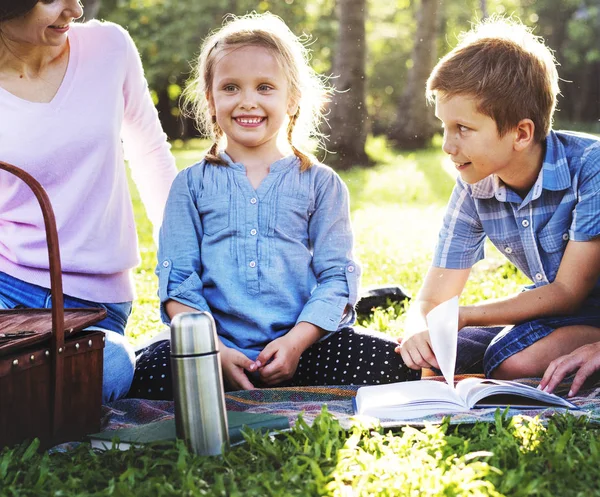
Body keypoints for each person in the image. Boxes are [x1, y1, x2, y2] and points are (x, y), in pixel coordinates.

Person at [129, 12, 419, 398]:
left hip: (305, 345)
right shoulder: (191, 185)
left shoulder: (322, 184)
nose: (247, 101)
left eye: (265, 87)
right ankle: (226, 370)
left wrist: (297, 343)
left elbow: (336, 277)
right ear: (211, 99)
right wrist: (214, 350)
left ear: (293, 98)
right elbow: (178, 282)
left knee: (396, 365)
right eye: (231, 88)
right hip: (212, 348)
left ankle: (288, 368)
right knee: (142, 374)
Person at [396, 17, 600, 385]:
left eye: (463, 129)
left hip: (581, 306)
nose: (447, 145)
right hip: (560, 313)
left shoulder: (590, 166)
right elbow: (432, 299)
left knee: (512, 362)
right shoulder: (474, 186)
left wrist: (467, 314)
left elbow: (569, 292)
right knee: (438, 359)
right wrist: (417, 333)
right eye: (445, 126)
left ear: (521, 133)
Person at [0, 0, 178, 402]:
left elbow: (150, 153)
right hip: (7, 286)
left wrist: (185, 267)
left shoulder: (109, 47)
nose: (75, 10)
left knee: (111, 368)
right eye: (52, 0)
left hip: (94, 305)